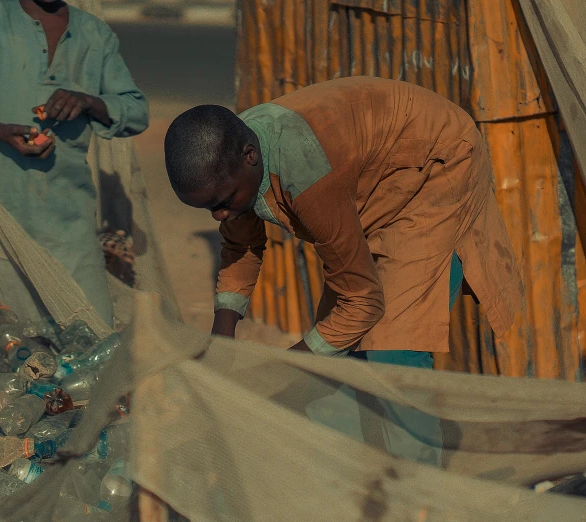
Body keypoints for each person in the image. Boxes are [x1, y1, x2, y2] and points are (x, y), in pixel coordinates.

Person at [163, 76, 524, 465]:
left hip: (432, 165)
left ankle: (420, 489)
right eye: (207, 209)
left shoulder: (304, 174)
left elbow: (362, 302)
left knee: (391, 349)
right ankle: (382, 467)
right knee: (345, 352)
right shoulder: (234, 163)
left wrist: (291, 370)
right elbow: (241, 244)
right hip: (372, 179)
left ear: (251, 156)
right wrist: (222, 341)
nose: (219, 215)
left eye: (222, 202)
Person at [0, 0, 149, 325]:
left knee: (88, 341)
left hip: (68, 225)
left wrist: (89, 101)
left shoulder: (94, 35)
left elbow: (136, 112)